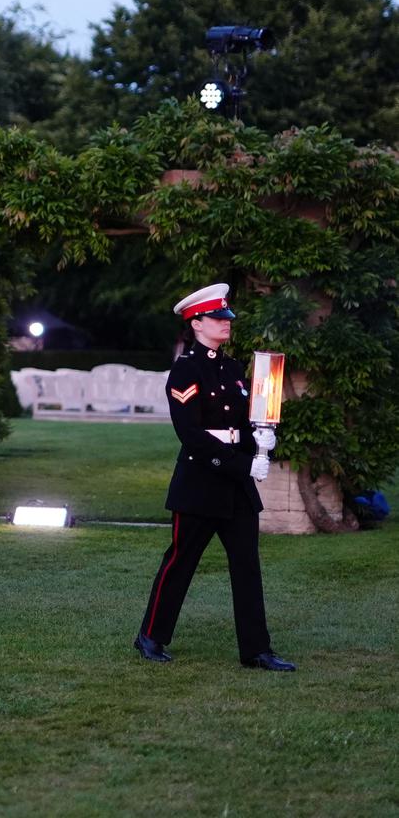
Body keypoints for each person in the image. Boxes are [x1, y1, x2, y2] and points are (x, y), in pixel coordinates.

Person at [135, 284, 295, 671]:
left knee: (247, 565)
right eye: (218, 318)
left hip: (235, 485)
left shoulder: (232, 367)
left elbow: (241, 421)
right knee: (180, 562)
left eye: (227, 318)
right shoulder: (186, 369)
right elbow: (190, 434)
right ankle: (151, 637)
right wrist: (242, 465)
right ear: (197, 323)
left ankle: (256, 650)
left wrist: (262, 438)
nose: (226, 324)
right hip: (199, 482)